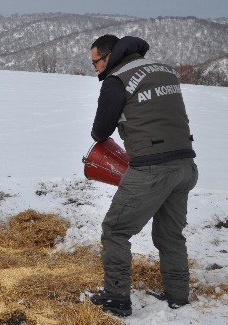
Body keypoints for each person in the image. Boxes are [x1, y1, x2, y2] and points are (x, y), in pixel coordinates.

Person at [88, 34, 198, 317]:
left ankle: (116, 297)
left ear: (109, 56)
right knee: (170, 235)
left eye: (96, 62)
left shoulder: (116, 81)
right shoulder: (164, 70)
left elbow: (101, 131)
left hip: (152, 168)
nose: (96, 68)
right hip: (185, 164)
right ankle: (178, 295)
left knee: (115, 230)